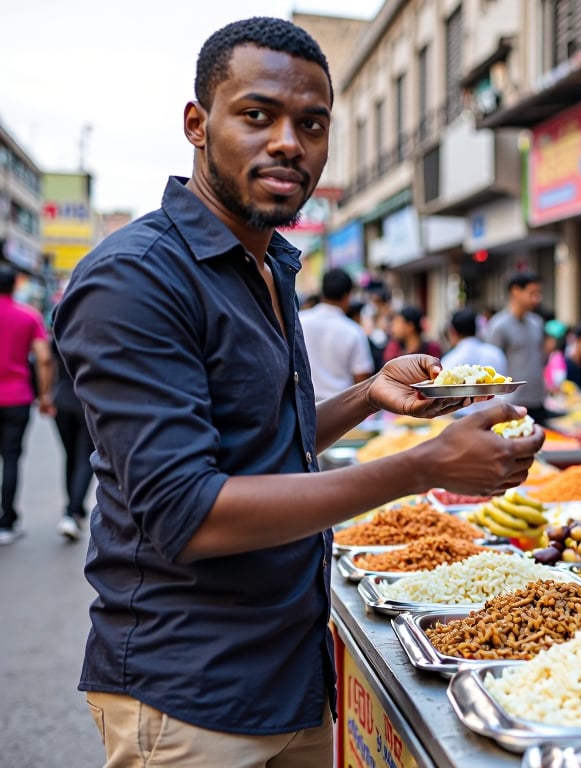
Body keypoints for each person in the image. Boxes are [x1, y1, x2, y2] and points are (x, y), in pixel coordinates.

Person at [53, 18, 543, 766]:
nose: (289, 142)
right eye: (258, 115)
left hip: (292, 673)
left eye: (311, 125)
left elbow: (260, 439)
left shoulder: (269, 265)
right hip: (191, 698)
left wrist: (368, 396)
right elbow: (189, 512)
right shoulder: (138, 278)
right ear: (197, 123)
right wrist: (422, 467)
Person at [0, 265, 54, 545]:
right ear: (15, 287)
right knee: (11, 458)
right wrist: (45, 395)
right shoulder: (28, 316)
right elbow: (44, 358)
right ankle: (6, 523)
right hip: (16, 398)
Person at [299, 267, 375, 401]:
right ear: (347, 296)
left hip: (303, 407)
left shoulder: (299, 321)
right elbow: (361, 379)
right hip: (340, 410)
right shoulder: (353, 331)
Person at [485, 272, 550, 422]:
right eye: (532, 293)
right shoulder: (499, 326)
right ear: (515, 291)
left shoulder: (536, 323)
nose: (537, 298)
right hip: (512, 403)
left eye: (538, 293)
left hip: (538, 400)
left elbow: (540, 359)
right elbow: (491, 368)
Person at [51, 337, 94, 541]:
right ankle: (73, 511)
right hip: (87, 402)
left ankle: (73, 509)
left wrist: (45, 395)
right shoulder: (95, 330)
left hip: (63, 400)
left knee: (71, 457)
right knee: (84, 458)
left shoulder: (62, 327)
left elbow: (47, 362)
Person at [441, 307, 508, 415]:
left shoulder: (449, 360)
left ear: (452, 331)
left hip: (462, 420)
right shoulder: (496, 353)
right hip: (496, 416)